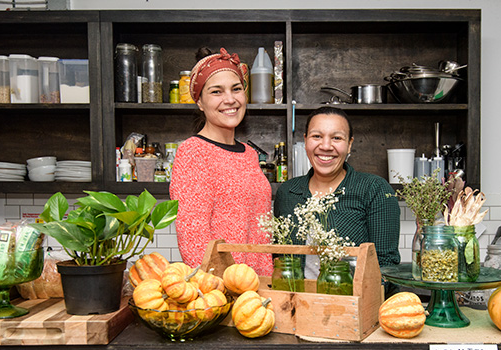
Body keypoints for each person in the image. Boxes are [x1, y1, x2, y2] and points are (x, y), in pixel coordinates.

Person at [169, 48, 272, 275]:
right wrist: (220, 291)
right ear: (200, 102)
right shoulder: (193, 152)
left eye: (236, 89)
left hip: (258, 288)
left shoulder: (249, 154)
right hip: (220, 292)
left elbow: (259, 231)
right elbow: (193, 240)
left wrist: (264, 281)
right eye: (217, 91)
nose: (230, 99)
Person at [274, 106, 401, 278]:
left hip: (354, 302)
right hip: (298, 301)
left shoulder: (374, 189)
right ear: (305, 141)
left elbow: (386, 266)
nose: (325, 146)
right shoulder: (288, 192)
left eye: (337, 138)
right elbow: (280, 260)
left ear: (349, 145)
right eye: (317, 136)